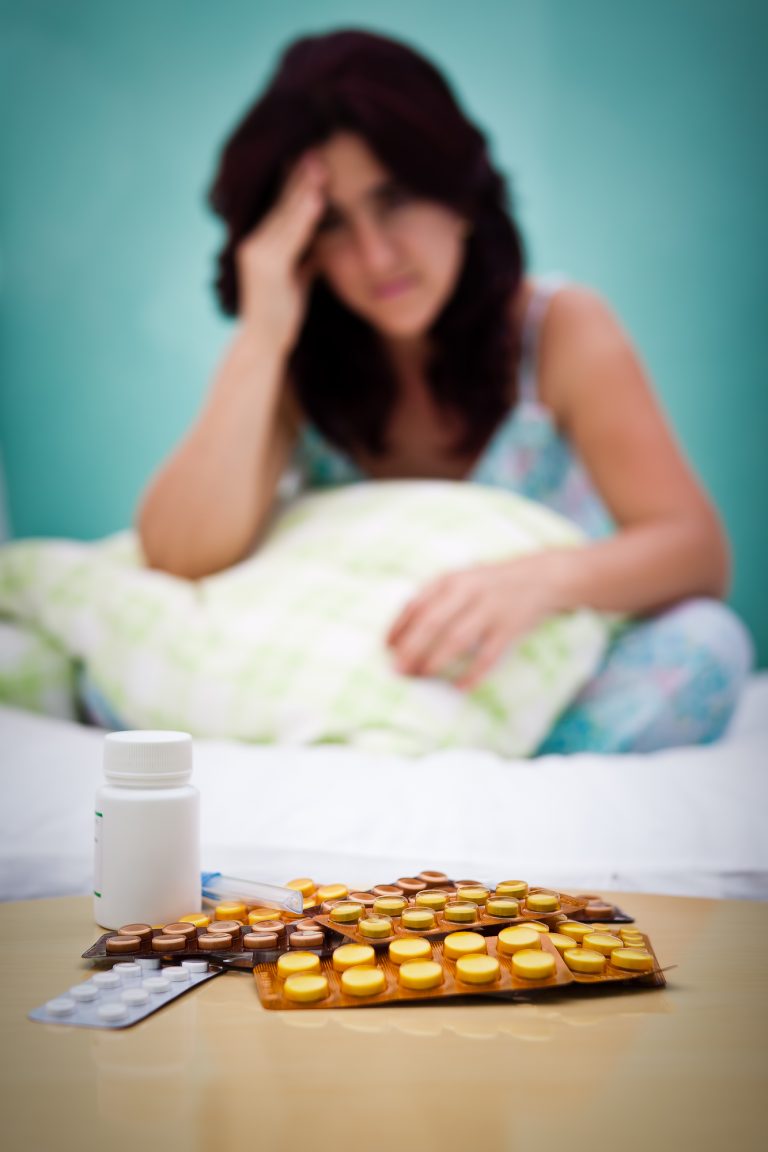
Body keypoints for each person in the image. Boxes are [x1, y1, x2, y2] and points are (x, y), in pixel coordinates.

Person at [137, 29, 753, 753]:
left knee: (707, 647)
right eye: (333, 224)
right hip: (359, 687)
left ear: (459, 192)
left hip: (526, 687)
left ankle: (442, 762)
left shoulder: (556, 329)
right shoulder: (296, 362)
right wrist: (261, 333)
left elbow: (695, 551)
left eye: (393, 199)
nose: (376, 256)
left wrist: (537, 582)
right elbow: (176, 557)